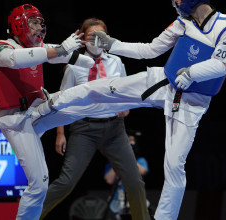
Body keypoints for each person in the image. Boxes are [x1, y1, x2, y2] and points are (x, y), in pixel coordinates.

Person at [32, 1, 226, 219]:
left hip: (192, 102)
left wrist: (192, 73)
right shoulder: (182, 23)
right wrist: (113, 43)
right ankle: (46, 106)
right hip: (164, 83)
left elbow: (220, 64)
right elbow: (148, 50)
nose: (175, 3)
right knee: (103, 89)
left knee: (175, 165)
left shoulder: (225, 26)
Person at [0, 4, 95, 220]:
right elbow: (17, 59)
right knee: (39, 184)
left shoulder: (43, 47)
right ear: (19, 24)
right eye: (34, 22)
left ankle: (129, 95)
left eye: (42, 24)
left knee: (84, 101)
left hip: (37, 113)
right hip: (16, 123)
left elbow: (75, 59)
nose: (40, 29)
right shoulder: (0, 47)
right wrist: (60, 49)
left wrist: (92, 54)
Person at [39, 18, 150, 220]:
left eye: (101, 36)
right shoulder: (74, 65)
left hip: (115, 130)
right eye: (91, 36)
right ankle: (30, 216)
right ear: (83, 39)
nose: (96, 40)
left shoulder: (116, 62)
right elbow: (61, 100)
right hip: (84, 129)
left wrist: (126, 109)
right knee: (66, 182)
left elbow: (126, 91)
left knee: (134, 182)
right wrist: (60, 133)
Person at [104, 129, 151, 219]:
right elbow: (109, 180)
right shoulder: (113, 161)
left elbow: (142, 172)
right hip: (117, 201)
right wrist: (118, 159)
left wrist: (129, 157)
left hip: (136, 198)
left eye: (131, 141)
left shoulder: (141, 160)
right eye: (127, 141)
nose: (129, 144)